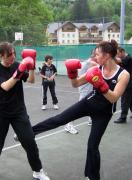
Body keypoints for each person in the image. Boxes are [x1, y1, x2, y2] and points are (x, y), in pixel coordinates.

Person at [32, 40, 130, 180]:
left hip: (104, 113)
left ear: (107, 55)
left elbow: (113, 98)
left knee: (92, 146)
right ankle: (30, 132)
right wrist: (72, 74)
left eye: (97, 55)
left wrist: (100, 85)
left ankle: (92, 176)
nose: (95, 58)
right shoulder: (95, 69)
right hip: (89, 102)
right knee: (60, 118)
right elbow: (76, 83)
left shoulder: (123, 75)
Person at [0, 42, 50, 180]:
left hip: (18, 111)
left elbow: (31, 80)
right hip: (1, 112)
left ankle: (37, 171)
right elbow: (5, 87)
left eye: (14, 53)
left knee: (29, 141)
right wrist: (19, 71)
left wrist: (31, 67)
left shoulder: (16, 64)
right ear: (1, 55)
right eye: (10, 55)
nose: (13, 56)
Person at [64, 49, 98, 134]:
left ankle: (90, 120)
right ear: (93, 55)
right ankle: (69, 125)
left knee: (93, 105)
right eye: (97, 54)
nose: (99, 57)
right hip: (86, 90)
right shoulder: (91, 63)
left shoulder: (85, 63)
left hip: (89, 88)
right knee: (78, 109)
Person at [114, 47, 132, 123]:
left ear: (122, 52)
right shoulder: (127, 59)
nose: (117, 55)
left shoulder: (128, 58)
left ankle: (123, 117)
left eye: (118, 54)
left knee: (124, 100)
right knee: (130, 100)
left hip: (128, 83)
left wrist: (111, 54)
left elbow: (117, 60)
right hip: (129, 83)